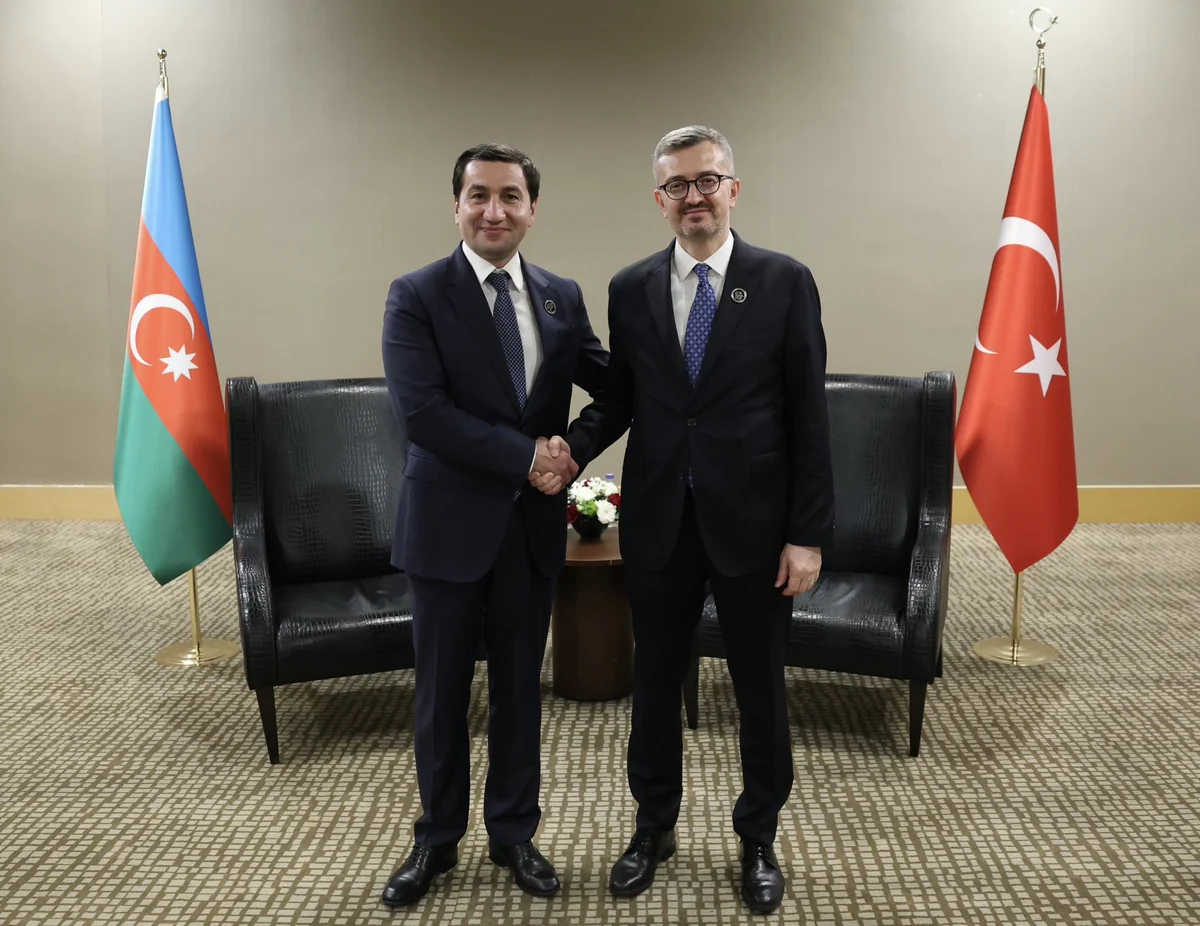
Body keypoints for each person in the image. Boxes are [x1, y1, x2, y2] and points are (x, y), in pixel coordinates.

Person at [565, 125, 835, 915]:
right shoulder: (631, 288)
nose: (695, 197)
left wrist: (807, 533)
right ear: (660, 199)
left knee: (759, 688)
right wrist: (567, 451)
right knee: (654, 682)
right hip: (660, 521)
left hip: (757, 526)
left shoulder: (783, 281)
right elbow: (622, 398)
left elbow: (809, 415)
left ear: (733, 190)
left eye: (708, 181)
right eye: (679, 185)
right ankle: (653, 827)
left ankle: (758, 836)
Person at [379, 142, 611, 907]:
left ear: (532, 210)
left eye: (510, 196)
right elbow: (424, 414)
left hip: (528, 531)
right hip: (447, 528)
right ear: (457, 206)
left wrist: (572, 452)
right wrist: (527, 457)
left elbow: (615, 388)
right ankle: (437, 839)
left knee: (519, 691)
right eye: (478, 195)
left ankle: (514, 833)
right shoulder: (416, 295)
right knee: (442, 696)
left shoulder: (560, 297)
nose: (494, 210)